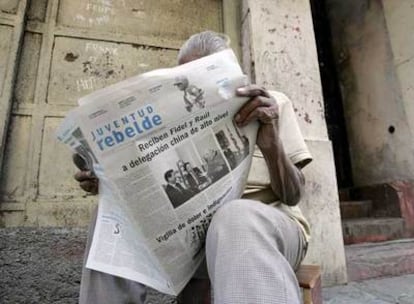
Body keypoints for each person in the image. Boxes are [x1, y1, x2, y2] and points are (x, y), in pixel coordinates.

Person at [74, 31, 312, 304]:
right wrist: (108, 181)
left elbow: (293, 195)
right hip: (187, 242)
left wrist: (271, 146)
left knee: (234, 216)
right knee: (114, 220)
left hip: (265, 230)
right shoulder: (169, 117)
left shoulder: (271, 104)